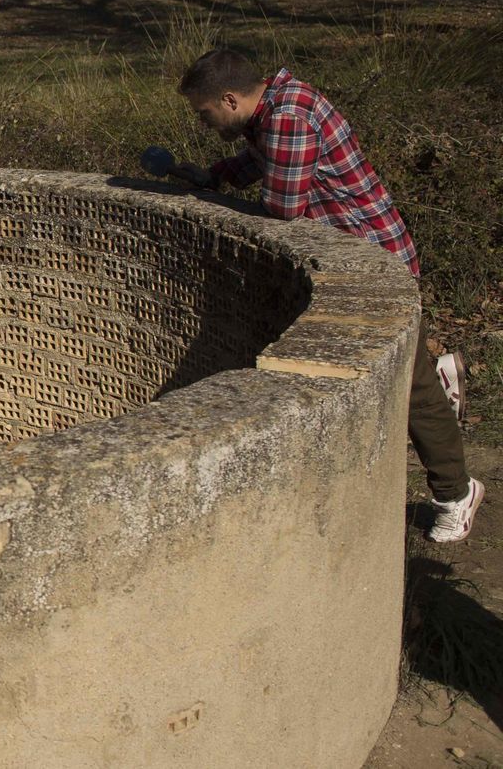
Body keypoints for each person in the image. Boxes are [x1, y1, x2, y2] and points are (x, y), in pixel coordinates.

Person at [176, 48, 483, 543]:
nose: (203, 122)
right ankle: (441, 373)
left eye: (204, 112)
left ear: (229, 99)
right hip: (362, 254)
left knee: (411, 391)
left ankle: (455, 491)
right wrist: (216, 176)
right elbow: (262, 160)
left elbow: (283, 208)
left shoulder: (288, 119)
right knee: (408, 374)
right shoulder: (276, 102)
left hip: (374, 263)